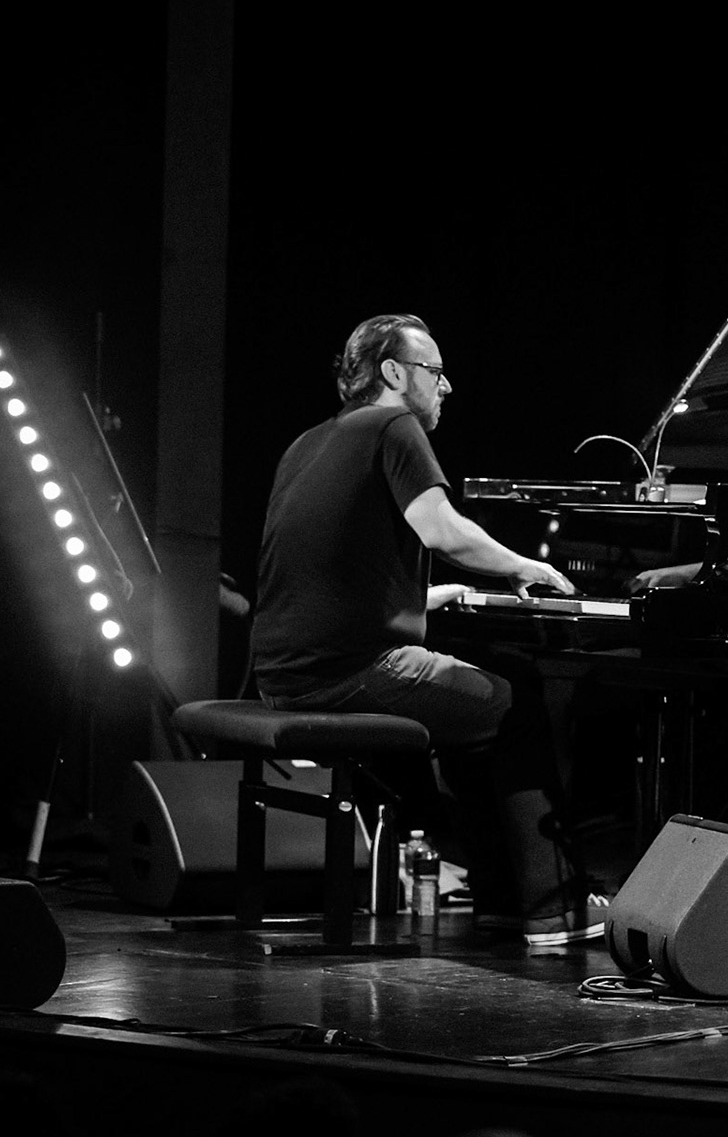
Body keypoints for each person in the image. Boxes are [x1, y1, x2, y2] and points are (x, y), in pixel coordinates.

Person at [251, 314, 605, 945]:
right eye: (435, 373)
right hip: (349, 676)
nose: (446, 388)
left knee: (476, 702)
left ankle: (502, 899)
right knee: (518, 695)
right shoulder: (395, 424)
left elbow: (323, 569)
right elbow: (443, 531)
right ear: (394, 373)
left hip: (281, 676)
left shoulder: (306, 443)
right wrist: (528, 564)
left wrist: (428, 594)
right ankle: (556, 908)